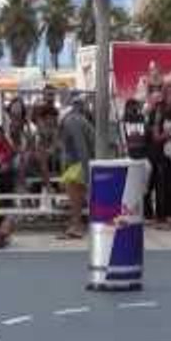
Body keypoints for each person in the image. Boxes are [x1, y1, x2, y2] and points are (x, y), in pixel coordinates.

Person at [58, 96, 95, 239]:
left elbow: (81, 147)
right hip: (79, 161)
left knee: (74, 193)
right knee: (74, 193)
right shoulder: (77, 119)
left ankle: (77, 226)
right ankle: (75, 223)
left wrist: (86, 172)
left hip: (82, 161)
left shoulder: (72, 121)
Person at [147, 83, 171, 229]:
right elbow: (155, 134)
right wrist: (163, 136)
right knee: (160, 184)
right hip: (160, 151)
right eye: (169, 91)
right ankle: (160, 216)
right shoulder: (158, 109)